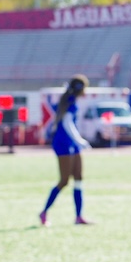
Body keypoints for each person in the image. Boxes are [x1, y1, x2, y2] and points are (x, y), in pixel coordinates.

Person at [38, 74, 93, 226]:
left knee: (79, 178)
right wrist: (79, 140)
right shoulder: (69, 102)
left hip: (72, 144)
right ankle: (44, 212)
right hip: (64, 144)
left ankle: (79, 215)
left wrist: (77, 142)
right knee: (64, 181)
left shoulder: (71, 101)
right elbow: (67, 123)